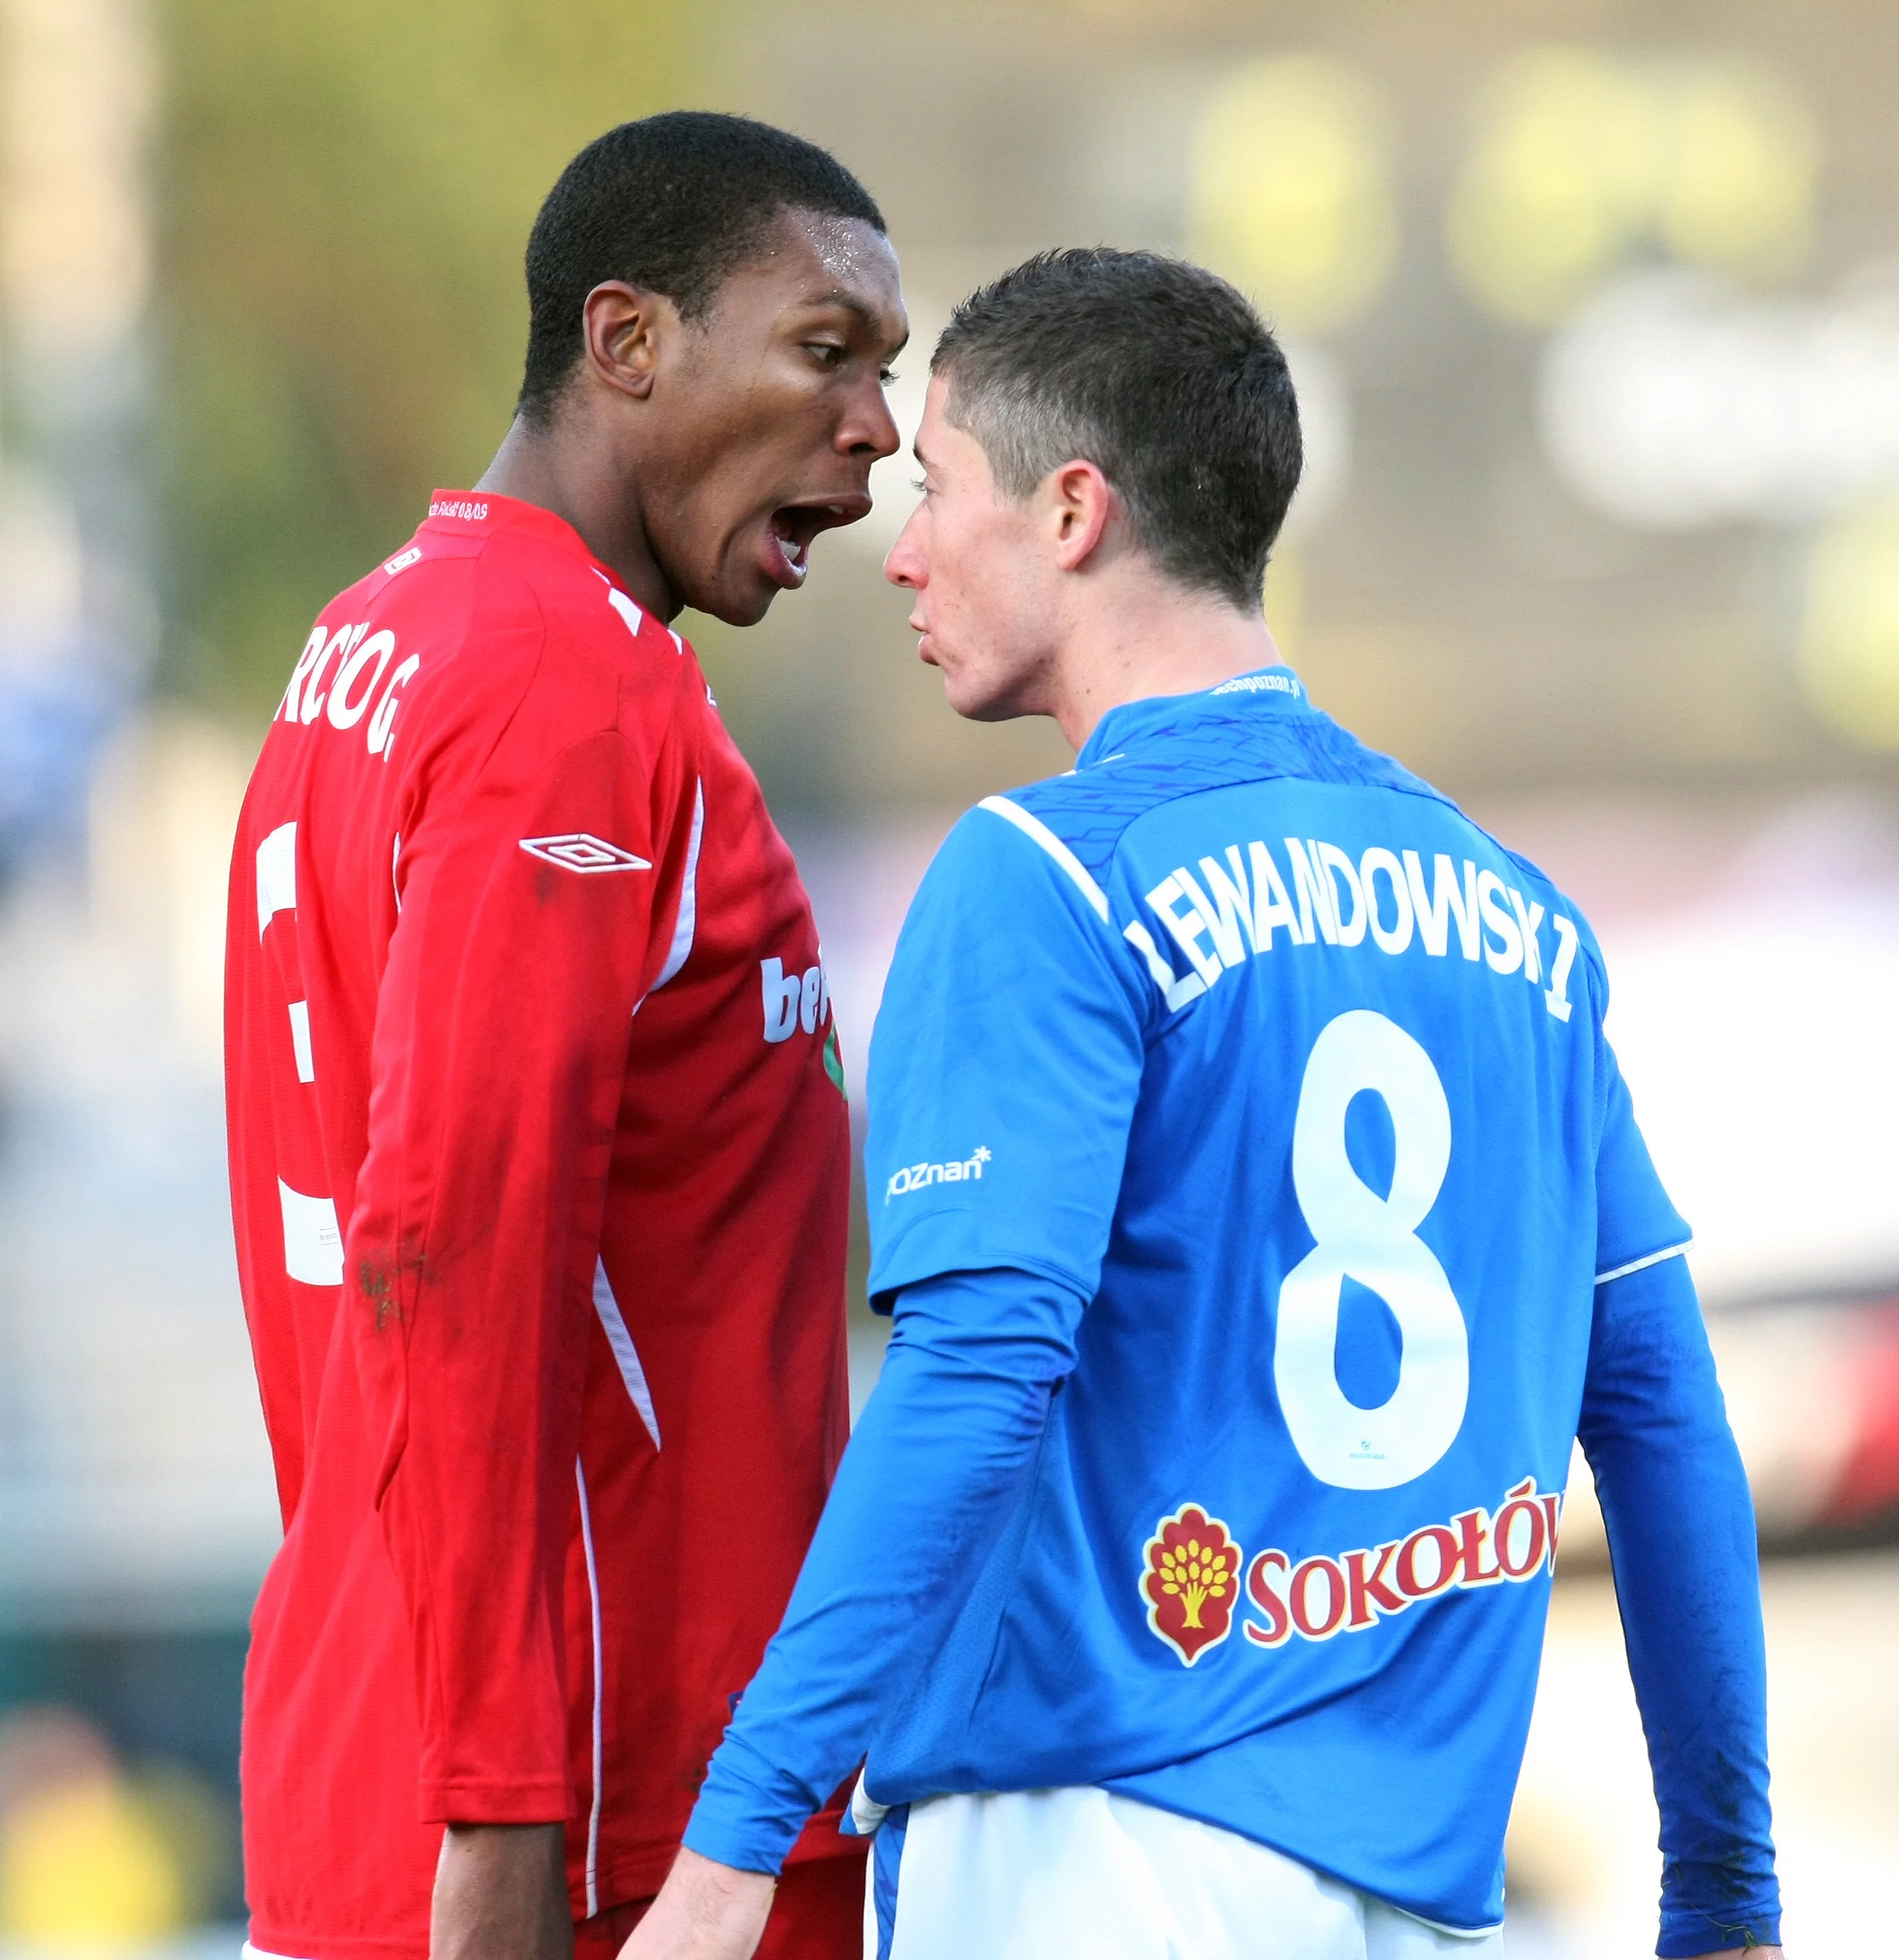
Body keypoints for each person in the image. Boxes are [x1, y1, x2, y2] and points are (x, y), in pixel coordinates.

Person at [627, 250, 1785, 1960]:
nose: (908, 548)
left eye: (939, 487)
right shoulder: (1519, 918)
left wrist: (736, 1840)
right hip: (1430, 1889)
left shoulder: (1042, 875)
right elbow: (1664, 1414)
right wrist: (1724, 1894)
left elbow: (979, 1370)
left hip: (1090, 1855)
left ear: (1074, 510)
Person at [223, 112, 907, 1960]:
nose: (880, 432)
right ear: (627, 344)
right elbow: (451, 1247)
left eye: (890, 375)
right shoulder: (558, 691)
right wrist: (504, 1823)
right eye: (826, 351)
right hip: (601, 1832)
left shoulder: (381, 635)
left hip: (403, 1750)